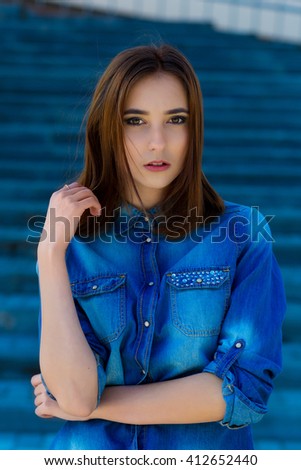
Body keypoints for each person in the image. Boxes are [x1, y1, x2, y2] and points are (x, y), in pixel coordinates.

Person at [31, 43, 286, 450]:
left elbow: (242, 391)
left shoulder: (242, 234)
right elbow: (75, 395)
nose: (157, 142)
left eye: (175, 119)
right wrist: (49, 254)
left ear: (194, 127)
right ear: (109, 129)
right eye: (135, 120)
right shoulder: (71, 248)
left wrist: (97, 406)